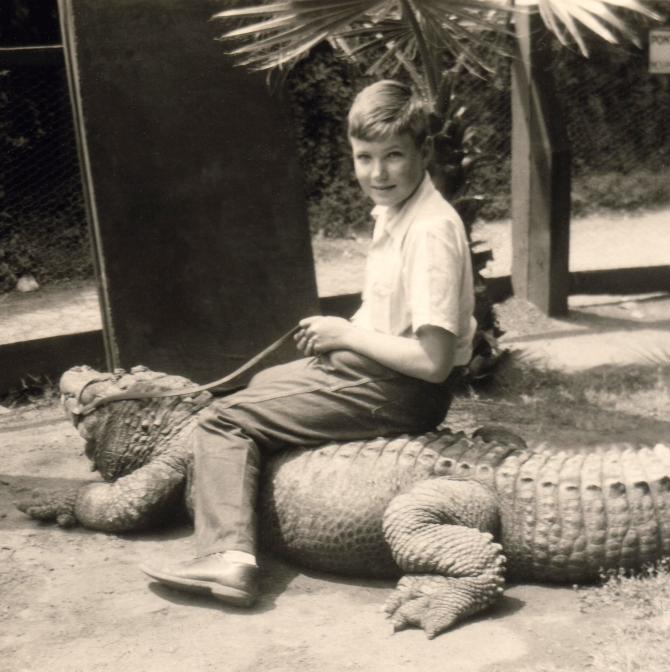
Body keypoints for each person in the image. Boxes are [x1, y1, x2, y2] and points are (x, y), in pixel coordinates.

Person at [140, 79, 476, 607]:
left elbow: (433, 363)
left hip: (400, 389)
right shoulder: (397, 213)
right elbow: (388, 313)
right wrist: (337, 337)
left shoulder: (431, 230)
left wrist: (346, 334)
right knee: (263, 383)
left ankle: (225, 559)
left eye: (394, 156)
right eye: (365, 157)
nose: (378, 173)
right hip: (371, 373)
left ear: (424, 153)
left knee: (220, 419)